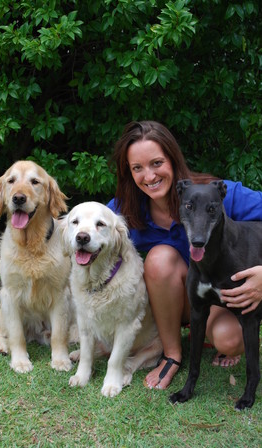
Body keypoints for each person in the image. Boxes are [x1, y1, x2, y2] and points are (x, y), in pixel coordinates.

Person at [107, 120, 262, 390]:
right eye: (137, 168)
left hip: (223, 296)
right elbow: (79, 226)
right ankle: (172, 354)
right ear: (129, 172)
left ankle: (209, 337)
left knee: (230, 340)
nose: (149, 176)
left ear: (173, 159)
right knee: (160, 258)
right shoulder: (126, 210)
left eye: (157, 163)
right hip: (177, 297)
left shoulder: (222, 194)